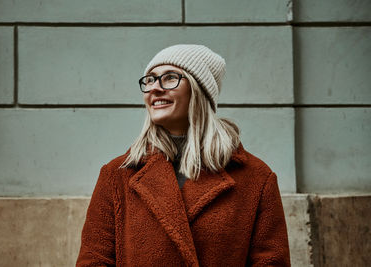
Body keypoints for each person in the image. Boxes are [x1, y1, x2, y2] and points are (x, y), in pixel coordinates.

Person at [76, 44, 291, 266]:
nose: (155, 88)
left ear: (200, 90)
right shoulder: (118, 175)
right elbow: (94, 261)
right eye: (149, 80)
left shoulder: (255, 178)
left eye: (170, 78)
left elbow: (271, 262)